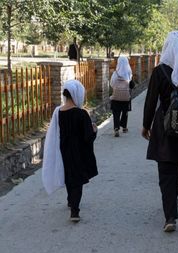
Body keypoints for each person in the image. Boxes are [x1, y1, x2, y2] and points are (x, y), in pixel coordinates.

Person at [142, 31, 178, 232]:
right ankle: (173, 200)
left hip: (163, 125)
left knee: (165, 169)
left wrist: (145, 125)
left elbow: (150, 101)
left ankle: (170, 217)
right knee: (176, 166)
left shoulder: (159, 72)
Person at [42, 80, 98, 223]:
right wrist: (94, 130)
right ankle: (75, 211)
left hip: (63, 150)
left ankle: (70, 200)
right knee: (77, 180)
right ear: (77, 94)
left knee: (68, 176)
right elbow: (88, 137)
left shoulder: (58, 112)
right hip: (78, 153)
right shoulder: (81, 114)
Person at [110, 56, 133, 137]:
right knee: (125, 112)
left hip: (116, 97)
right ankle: (124, 127)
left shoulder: (115, 73)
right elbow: (131, 85)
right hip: (126, 97)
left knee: (116, 112)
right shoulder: (129, 73)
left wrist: (117, 88)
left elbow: (112, 84)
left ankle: (116, 128)